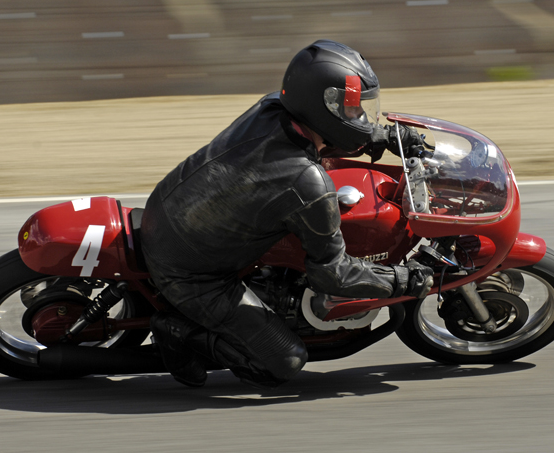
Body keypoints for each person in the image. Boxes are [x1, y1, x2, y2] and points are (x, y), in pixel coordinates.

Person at [141, 39, 434, 388]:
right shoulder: (306, 183)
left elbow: (331, 129)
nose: (359, 117)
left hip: (170, 206)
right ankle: (176, 331)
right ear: (321, 106)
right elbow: (333, 275)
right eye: (352, 109)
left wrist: (385, 136)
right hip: (191, 273)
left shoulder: (271, 108)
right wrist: (405, 280)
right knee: (284, 362)